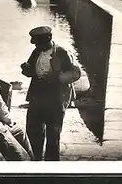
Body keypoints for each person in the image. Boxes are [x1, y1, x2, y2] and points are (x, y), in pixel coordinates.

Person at [20, 26, 81, 161]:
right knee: (33, 130)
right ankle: (35, 161)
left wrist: (56, 78)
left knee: (53, 134)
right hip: (37, 96)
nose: (36, 45)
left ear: (48, 39)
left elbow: (75, 73)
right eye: (35, 43)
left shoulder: (61, 52)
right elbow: (31, 72)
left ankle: (51, 166)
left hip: (55, 98)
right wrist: (26, 69)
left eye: (38, 42)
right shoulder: (37, 51)